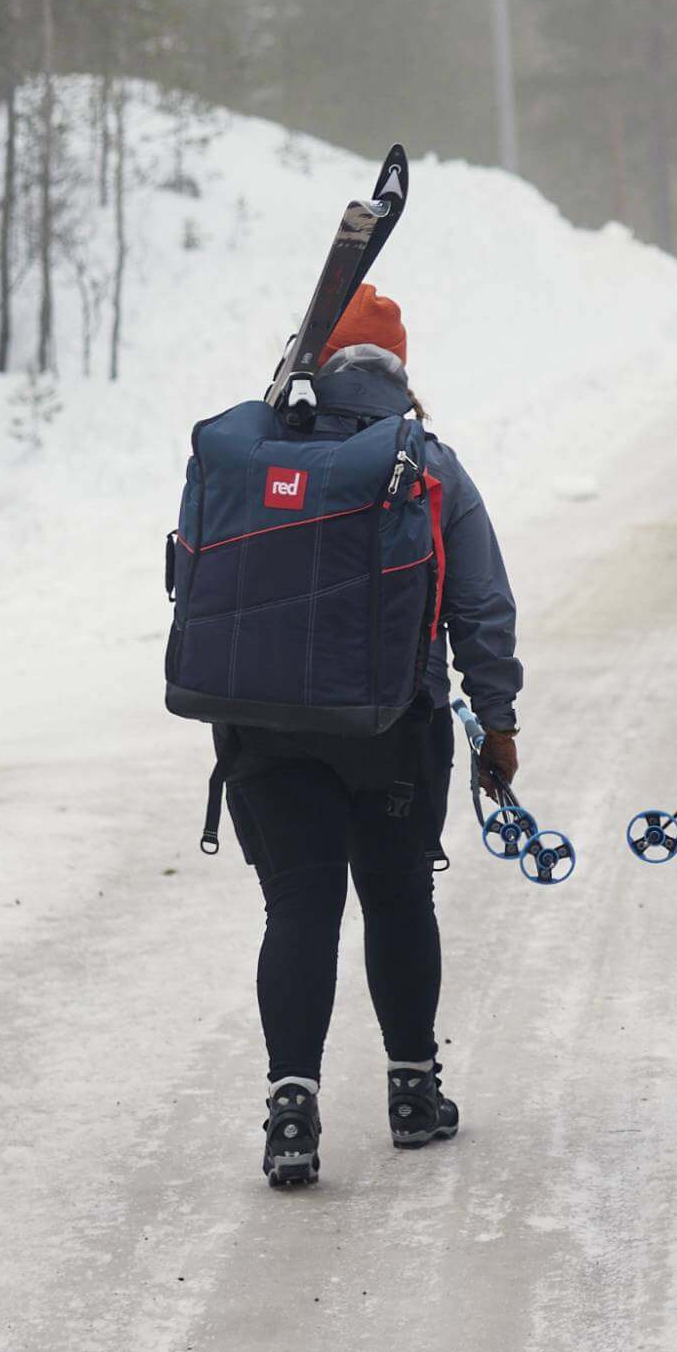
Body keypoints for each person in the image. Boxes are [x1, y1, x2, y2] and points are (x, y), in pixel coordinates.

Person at [214, 284, 523, 1188]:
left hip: (266, 727)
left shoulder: (254, 455)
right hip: (394, 725)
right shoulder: (427, 462)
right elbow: (482, 606)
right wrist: (496, 718)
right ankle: (414, 1091)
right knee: (397, 901)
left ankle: (292, 1109)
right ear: (397, 368)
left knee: (299, 909)